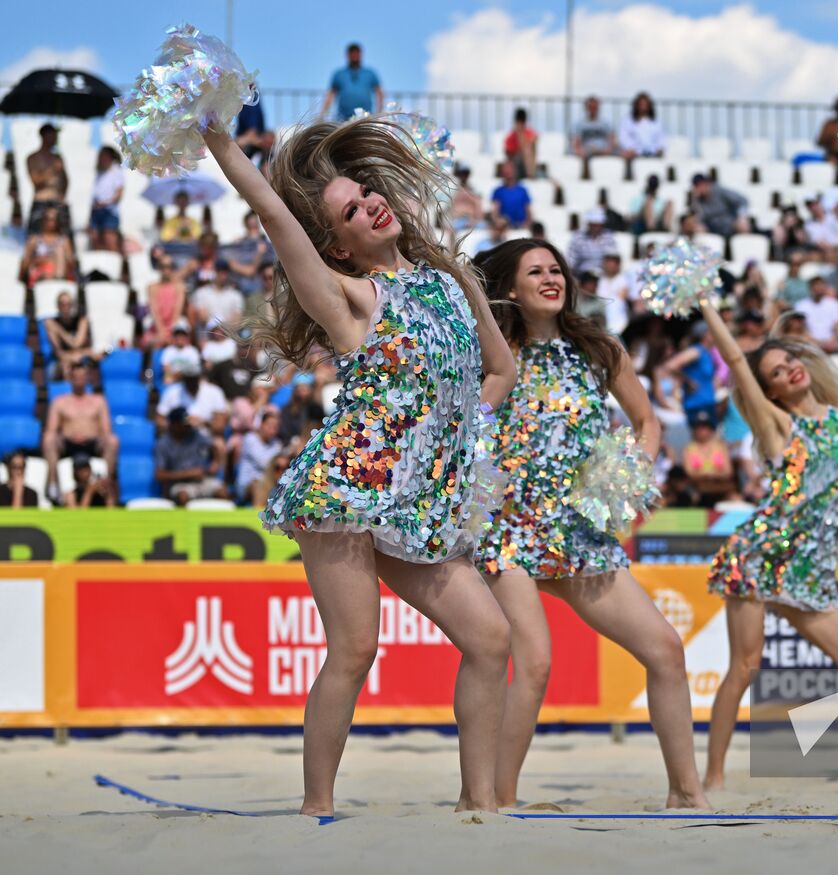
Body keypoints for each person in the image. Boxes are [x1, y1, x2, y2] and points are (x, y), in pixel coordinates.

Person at [197, 108, 517, 817]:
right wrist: (222, 140)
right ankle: (317, 807)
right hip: (345, 489)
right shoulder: (351, 299)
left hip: (418, 501)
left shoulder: (448, 283)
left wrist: (466, 435)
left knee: (492, 638)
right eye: (349, 209)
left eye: (366, 192)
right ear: (338, 248)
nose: (370, 202)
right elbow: (277, 218)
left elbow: (494, 373)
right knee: (355, 648)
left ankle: (479, 803)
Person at [472, 239, 708, 809]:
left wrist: (632, 476)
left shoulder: (598, 347)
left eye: (556, 269)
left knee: (665, 650)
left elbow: (646, 419)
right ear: (509, 288)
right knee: (534, 662)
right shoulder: (492, 351)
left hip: (580, 530)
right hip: (508, 527)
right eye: (536, 271)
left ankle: (686, 794)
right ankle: (499, 802)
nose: (551, 278)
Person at [702, 300, 838, 792]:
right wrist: (707, 304)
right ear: (769, 389)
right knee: (744, 668)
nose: (789, 368)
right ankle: (712, 778)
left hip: (809, 565)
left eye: (790, 361)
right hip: (760, 555)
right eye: (776, 371)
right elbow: (735, 359)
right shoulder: (777, 425)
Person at [40, 359, 119, 504]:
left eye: (82, 376)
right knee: (48, 438)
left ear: (87, 378)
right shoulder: (60, 401)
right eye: (76, 377)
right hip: (68, 444)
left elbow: (106, 430)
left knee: (112, 440)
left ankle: (106, 483)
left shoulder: (98, 401)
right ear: (70, 378)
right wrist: (68, 435)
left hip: (92, 443)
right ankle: (53, 485)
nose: (79, 380)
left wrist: (94, 435)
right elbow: (51, 428)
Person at [155, 406, 229, 504]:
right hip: (180, 484)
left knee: (223, 493)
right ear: (173, 425)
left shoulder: (195, 435)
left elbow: (214, 447)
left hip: (202, 481)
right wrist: (187, 474)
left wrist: (214, 463)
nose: (187, 427)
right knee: (182, 497)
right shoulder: (163, 444)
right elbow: (159, 475)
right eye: (183, 425)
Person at [320, 42, 383, 121]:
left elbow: (379, 93)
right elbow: (330, 95)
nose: (354, 55)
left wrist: (379, 113)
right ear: (347, 55)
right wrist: (322, 115)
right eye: (352, 52)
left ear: (361, 54)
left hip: (366, 119)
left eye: (356, 52)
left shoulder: (370, 73)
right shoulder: (339, 74)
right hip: (342, 119)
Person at [26, 123, 68, 233]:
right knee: (35, 236)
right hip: (41, 201)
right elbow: (36, 181)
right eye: (52, 135)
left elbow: (66, 180)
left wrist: (62, 195)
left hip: (57, 201)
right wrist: (52, 169)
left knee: (63, 237)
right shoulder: (32, 158)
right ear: (44, 136)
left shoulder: (58, 158)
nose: (55, 138)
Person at [21, 207, 74, 286]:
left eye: (53, 219)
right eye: (47, 219)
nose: (50, 222)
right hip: (40, 272)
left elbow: (71, 263)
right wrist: (41, 260)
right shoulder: (34, 240)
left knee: (59, 251)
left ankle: (57, 280)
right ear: (43, 220)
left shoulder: (64, 241)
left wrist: (52, 259)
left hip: (58, 271)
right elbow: (25, 262)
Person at [43, 291, 92, 376]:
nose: (66, 307)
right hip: (61, 362)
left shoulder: (82, 320)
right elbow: (58, 353)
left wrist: (59, 329)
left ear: (72, 305)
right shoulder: (50, 322)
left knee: (85, 370)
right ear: (57, 306)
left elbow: (76, 344)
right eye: (62, 304)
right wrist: (79, 354)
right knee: (65, 367)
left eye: (68, 304)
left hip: (80, 359)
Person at [89, 146, 125, 252]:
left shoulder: (116, 171)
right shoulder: (99, 173)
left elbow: (119, 193)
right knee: (95, 239)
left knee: (109, 238)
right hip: (96, 211)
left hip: (109, 211)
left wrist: (105, 203)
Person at [566, 207, 617, 277]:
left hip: (603, 276)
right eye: (593, 224)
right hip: (582, 276)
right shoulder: (578, 237)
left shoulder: (609, 237)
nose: (596, 227)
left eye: (598, 224)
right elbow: (571, 260)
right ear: (588, 224)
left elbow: (613, 258)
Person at [619, 92, 665, 159]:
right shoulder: (627, 120)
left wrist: (660, 148)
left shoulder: (656, 121)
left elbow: (661, 137)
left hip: (653, 153)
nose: (643, 106)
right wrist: (631, 148)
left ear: (649, 106)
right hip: (634, 154)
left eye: (645, 104)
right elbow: (623, 137)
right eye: (641, 104)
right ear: (636, 105)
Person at [571, 95, 616, 161]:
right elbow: (576, 142)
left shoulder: (606, 123)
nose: (592, 110)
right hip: (586, 153)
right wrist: (580, 151)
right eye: (590, 107)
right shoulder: (578, 124)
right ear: (586, 108)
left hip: (603, 152)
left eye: (594, 107)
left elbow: (612, 140)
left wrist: (608, 150)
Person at [490, 161, 532, 229]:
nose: (508, 173)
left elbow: (528, 209)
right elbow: (495, 211)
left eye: (510, 170)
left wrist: (528, 223)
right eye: (505, 171)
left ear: (515, 171)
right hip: (505, 227)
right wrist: (498, 222)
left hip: (521, 225)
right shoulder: (498, 191)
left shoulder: (522, 190)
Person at [503, 108, 539, 180]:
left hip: (530, 166)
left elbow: (533, 143)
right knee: (526, 150)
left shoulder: (530, 133)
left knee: (528, 149)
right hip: (516, 166)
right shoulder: (511, 137)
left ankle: (531, 174)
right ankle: (531, 175)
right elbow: (509, 154)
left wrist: (522, 137)